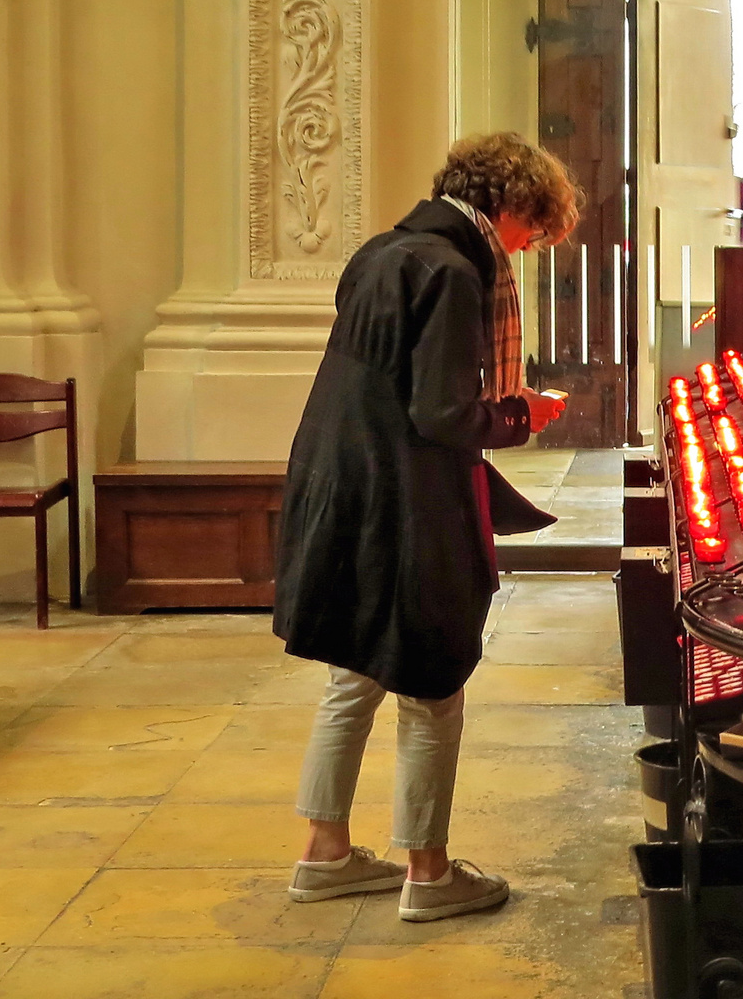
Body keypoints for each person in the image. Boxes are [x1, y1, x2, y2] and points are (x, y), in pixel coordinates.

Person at [273, 131, 577, 922]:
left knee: (355, 671)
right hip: (403, 504)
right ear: (507, 205)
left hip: (339, 483)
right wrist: (521, 414)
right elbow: (442, 414)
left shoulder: (381, 251)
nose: (526, 248)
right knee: (431, 681)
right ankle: (430, 873)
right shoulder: (450, 273)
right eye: (531, 232)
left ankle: (324, 854)